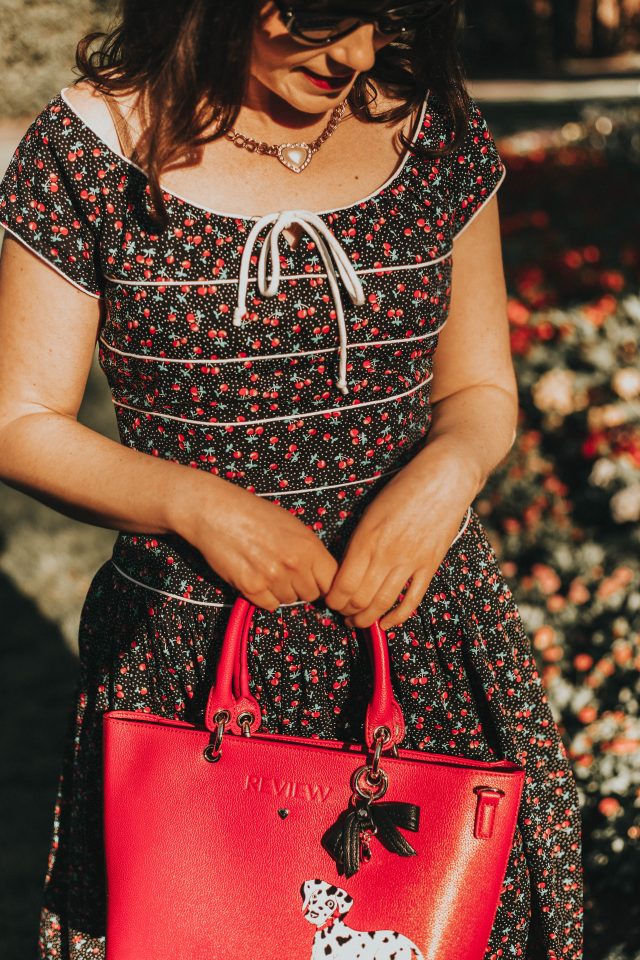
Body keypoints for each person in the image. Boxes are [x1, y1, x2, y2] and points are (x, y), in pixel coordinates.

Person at [0, 1, 583, 958]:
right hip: (192, 656)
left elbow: (480, 387)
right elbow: (21, 423)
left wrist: (442, 480)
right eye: (323, 15)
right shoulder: (92, 148)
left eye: (384, 20)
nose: (355, 56)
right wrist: (198, 505)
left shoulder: (426, 119)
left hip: (425, 631)